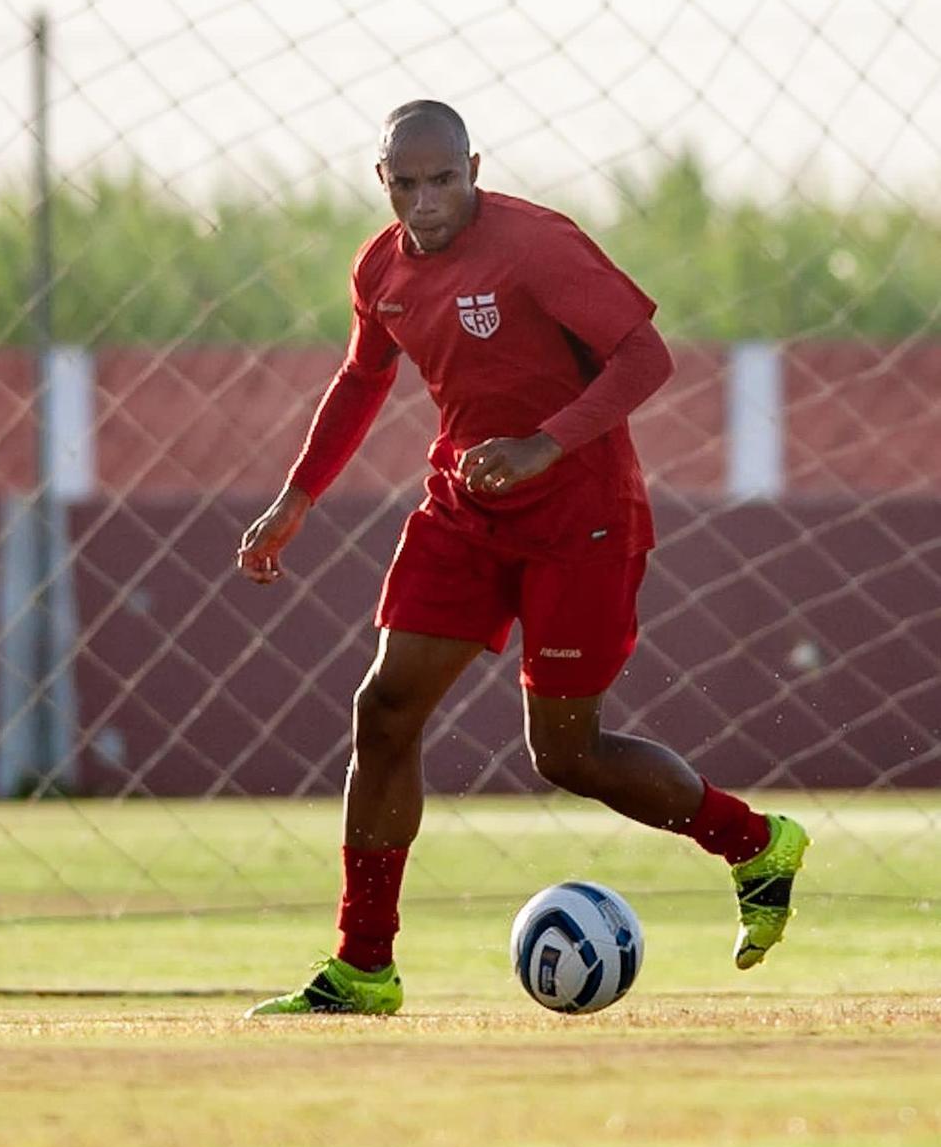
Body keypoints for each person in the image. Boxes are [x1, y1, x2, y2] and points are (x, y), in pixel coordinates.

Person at [237, 100, 809, 1017]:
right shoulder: (380, 268)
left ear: (475, 167)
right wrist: (295, 498)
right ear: (381, 180)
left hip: (582, 519)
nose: (427, 202)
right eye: (408, 184)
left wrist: (545, 444)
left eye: (445, 180)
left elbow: (645, 358)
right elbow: (362, 377)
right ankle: (362, 966)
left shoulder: (537, 246)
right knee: (384, 709)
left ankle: (754, 842)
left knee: (565, 751)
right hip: (464, 511)